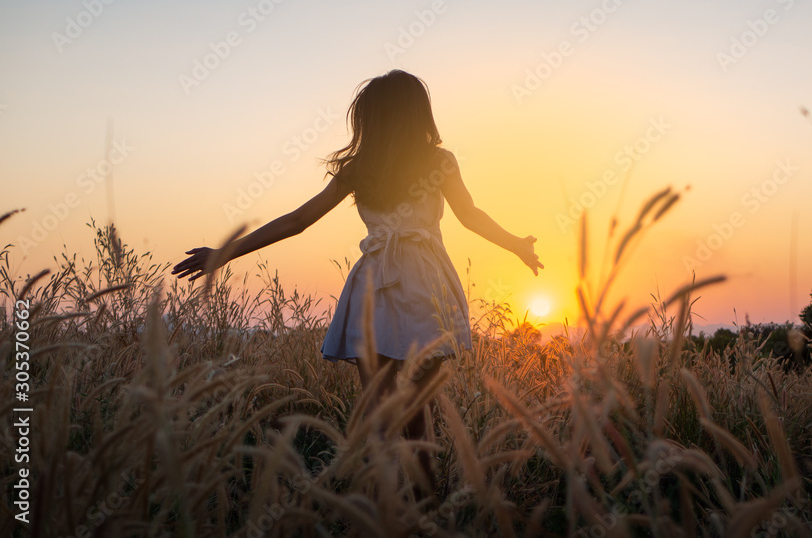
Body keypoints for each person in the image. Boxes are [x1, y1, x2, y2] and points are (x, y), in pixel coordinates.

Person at [171, 69, 543, 496]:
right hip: (424, 283)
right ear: (418, 113)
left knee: (381, 412)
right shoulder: (439, 161)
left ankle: (391, 509)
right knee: (418, 413)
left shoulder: (359, 168)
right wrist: (515, 244)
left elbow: (296, 221)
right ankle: (425, 507)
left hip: (374, 288)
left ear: (370, 118)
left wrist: (225, 252)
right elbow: (470, 215)